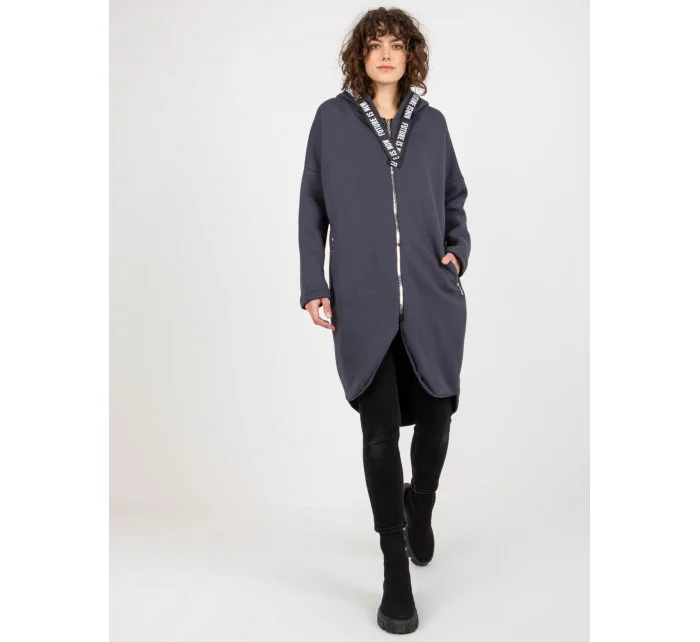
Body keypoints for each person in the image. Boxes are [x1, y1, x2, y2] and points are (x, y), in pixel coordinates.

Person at [297, 7, 470, 635]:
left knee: (437, 419)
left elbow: (453, 196)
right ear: (361, 55)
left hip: (429, 297)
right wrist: (314, 284)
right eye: (376, 44)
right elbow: (311, 204)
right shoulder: (332, 119)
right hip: (364, 302)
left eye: (397, 44)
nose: (387, 53)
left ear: (410, 54)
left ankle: (420, 503)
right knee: (377, 436)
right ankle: (396, 571)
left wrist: (457, 252)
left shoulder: (433, 123)